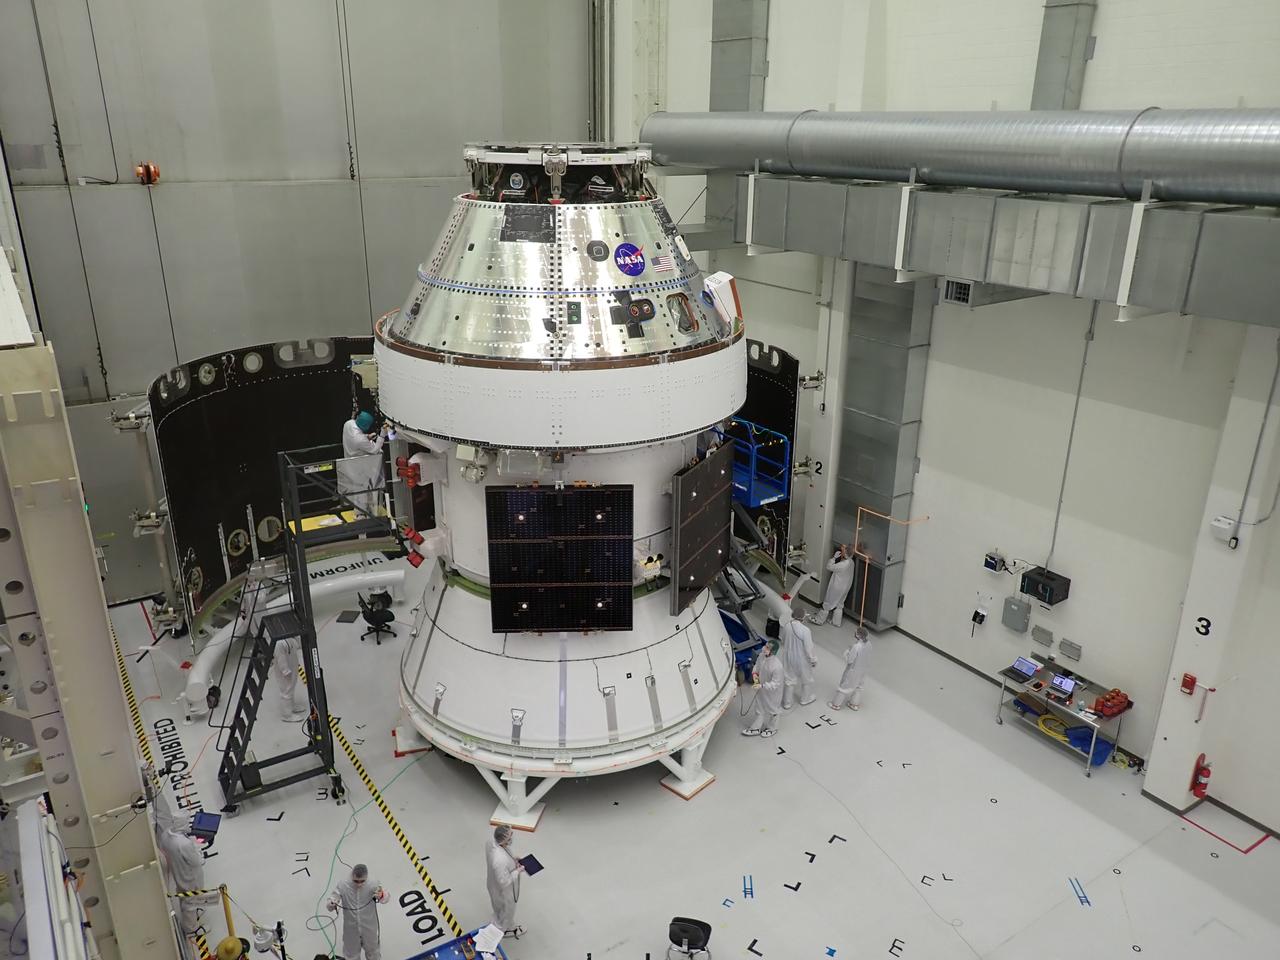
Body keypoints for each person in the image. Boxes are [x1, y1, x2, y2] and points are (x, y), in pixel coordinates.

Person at [156, 819, 216, 933]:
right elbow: (196, 861)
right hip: (190, 875)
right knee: (190, 900)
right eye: (187, 823)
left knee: (185, 894)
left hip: (178, 871)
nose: (189, 826)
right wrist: (198, 851)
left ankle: (196, 909)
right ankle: (192, 929)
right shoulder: (184, 844)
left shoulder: (165, 835)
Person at [328, 863, 387, 960]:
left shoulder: (373, 883)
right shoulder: (343, 884)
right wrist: (331, 903)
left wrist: (381, 895)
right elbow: (332, 901)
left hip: (369, 927)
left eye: (362, 881)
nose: (359, 884)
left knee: (373, 953)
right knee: (351, 955)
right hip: (351, 929)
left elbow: (385, 898)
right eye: (356, 881)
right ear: (352, 876)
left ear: (366, 878)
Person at [338, 411, 387, 516]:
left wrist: (367, 437)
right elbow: (374, 450)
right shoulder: (359, 439)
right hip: (360, 466)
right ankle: (361, 515)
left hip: (350, 461)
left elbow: (356, 438)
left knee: (360, 490)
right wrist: (382, 435)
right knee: (362, 492)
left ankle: (364, 512)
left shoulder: (348, 424)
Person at [485, 825, 525, 938]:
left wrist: (513, 859)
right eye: (509, 836)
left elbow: (504, 855)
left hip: (493, 884)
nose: (512, 837)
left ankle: (500, 922)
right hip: (503, 890)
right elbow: (503, 881)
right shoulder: (499, 860)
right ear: (503, 839)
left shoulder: (492, 843)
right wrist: (517, 871)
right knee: (507, 909)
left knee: (499, 908)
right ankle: (506, 930)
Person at [741, 639, 785, 738]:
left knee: (773, 710)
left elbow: (775, 684)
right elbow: (757, 666)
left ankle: (772, 728)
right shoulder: (761, 656)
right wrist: (755, 675)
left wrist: (762, 686)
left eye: (767, 648)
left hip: (773, 693)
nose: (764, 648)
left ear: (773, 652)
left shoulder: (777, 666)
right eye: (765, 646)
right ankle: (756, 728)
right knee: (759, 708)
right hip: (761, 688)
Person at [809, 543, 856, 626]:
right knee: (839, 604)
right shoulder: (851, 562)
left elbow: (829, 567)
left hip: (837, 587)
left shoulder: (843, 564)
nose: (842, 550)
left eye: (844, 550)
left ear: (846, 552)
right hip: (845, 587)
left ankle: (819, 620)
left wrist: (834, 558)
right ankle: (836, 622)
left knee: (828, 602)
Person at [780, 612, 817, 708]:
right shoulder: (806, 630)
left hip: (788, 656)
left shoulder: (787, 626)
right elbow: (808, 647)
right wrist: (813, 659)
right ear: (803, 618)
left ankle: (787, 703)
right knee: (807, 679)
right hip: (802, 658)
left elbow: (782, 640)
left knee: (789, 679)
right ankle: (805, 699)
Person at [829, 627, 872, 711]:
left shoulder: (856, 647)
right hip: (863, 670)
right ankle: (854, 704)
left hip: (853, 671)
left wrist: (848, 650)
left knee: (844, 687)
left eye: (855, 632)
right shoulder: (869, 644)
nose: (854, 633)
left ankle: (835, 704)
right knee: (858, 687)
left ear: (858, 635)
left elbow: (850, 660)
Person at [271, 631, 309, 721]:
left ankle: (292, 706)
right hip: (285, 671)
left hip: (292, 665)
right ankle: (287, 715)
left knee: (291, 688)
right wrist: (285, 670)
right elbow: (280, 658)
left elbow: (298, 645)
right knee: (286, 691)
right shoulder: (278, 643)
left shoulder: (289, 637)